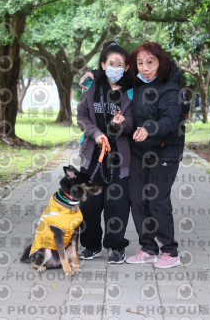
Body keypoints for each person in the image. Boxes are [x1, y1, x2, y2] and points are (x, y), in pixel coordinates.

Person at [125, 42, 186, 269]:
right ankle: (148, 248)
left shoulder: (171, 89)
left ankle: (170, 251)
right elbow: (112, 71)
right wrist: (93, 75)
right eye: (140, 63)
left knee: (156, 198)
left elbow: (170, 120)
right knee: (137, 197)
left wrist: (149, 129)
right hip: (140, 151)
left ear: (161, 62)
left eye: (150, 62)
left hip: (166, 151)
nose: (145, 68)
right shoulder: (136, 84)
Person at [76, 42, 134, 264]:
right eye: (111, 63)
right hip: (93, 156)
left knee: (116, 205)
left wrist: (122, 123)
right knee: (89, 204)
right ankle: (91, 246)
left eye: (120, 65)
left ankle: (116, 247)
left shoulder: (132, 91)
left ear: (126, 68)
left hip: (120, 159)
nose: (115, 68)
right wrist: (96, 134)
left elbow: (133, 122)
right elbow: (82, 116)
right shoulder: (92, 86)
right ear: (103, 65)